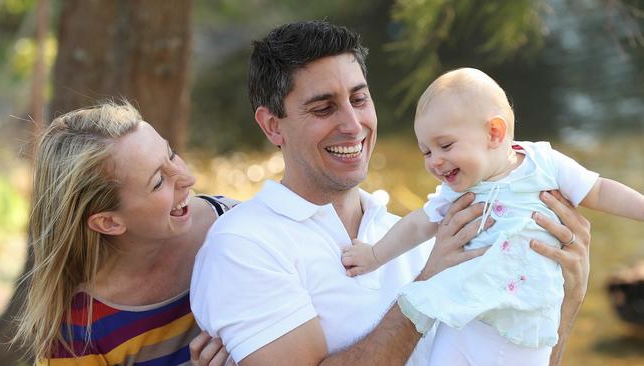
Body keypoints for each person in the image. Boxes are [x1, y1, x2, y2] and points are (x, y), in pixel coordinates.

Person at [190, 21, 592, 366]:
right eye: (323, 108)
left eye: (359, 98)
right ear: (273, 126)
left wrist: (566, 299)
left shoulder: (411, 232)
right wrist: (427, 288)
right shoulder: (245, 246)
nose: (353, 124)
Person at [341, 67, 644, 364]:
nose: (435, 161)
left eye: (445, 145)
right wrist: (374, 256)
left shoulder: (545, 165)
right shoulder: (456, 192)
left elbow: (600, 191)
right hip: (465, 320)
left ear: (494, 133)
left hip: (528, 319)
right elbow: (418, 225)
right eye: (426, 152)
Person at [13, 102, 237, 366]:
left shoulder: (234, 225)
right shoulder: (76, 336)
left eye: (171, 154)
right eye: (158, 181)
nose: (187, 178)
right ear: (108, 222)